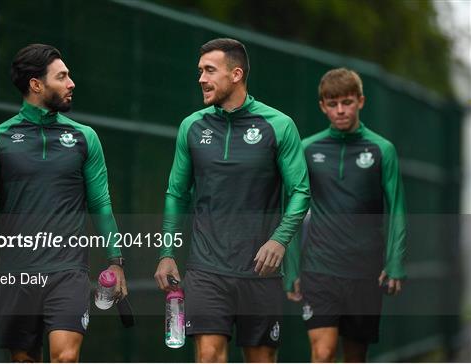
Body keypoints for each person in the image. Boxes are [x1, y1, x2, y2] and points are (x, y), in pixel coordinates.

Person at [154, 38, 310, 362]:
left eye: (210, 70)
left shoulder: (279, 126)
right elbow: (176, 194)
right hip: (206, 270)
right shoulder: (191, 127)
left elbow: (300, 192)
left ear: (236, 74)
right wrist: (167, 252)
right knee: (208, 355)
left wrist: (280, 241)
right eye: (200, 71)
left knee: (261, 359)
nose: (201, 78)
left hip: (260, 273)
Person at [0, 44, 127, 362]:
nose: (71, 84)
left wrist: (115, 260)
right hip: (17, 273)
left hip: (68, 270)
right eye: (62, 77)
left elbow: (101, 202)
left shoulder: (85, 138)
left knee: (65, 357)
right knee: (24, 358)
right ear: (36, 85)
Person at [285, 68, 407, 362]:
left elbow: (397, 210)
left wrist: (395, 264)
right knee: (323, 352)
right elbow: (292, 209)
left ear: (361, 101)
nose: (340, 110)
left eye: (347, 102)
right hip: (320, 269)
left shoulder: (382, 150)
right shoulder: (307, 149)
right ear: (322, 106)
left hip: (365, 271)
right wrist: (291, 268)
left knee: (355, 355)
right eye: (333, 103)